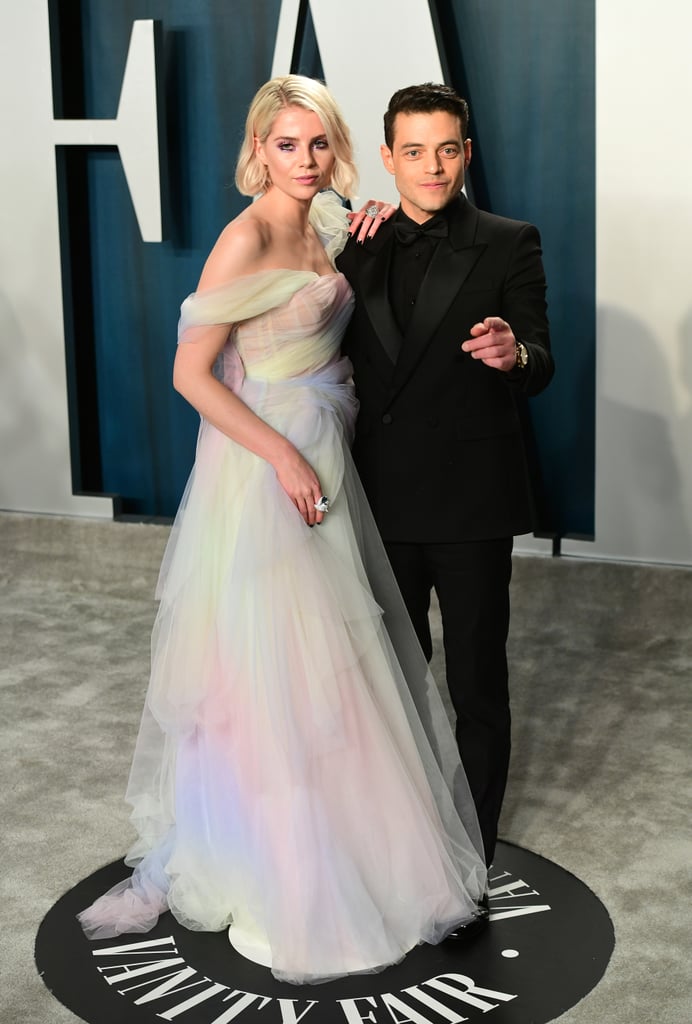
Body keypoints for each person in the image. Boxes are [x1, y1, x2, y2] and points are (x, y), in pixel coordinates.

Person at [77, 75, 487, 985]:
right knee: (275, 662)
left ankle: (355, 842)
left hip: (329, 449)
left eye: (315, 144)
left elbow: (343, 294)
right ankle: (280, 868)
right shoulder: (246, 236)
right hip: (268, 468)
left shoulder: (330, 218)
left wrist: (365, 237)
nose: (302, 161)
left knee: (338, 658)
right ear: (257, 147)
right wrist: (283, 458)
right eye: (285, 145)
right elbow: (194, 375)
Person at [337, 83, 554, 867]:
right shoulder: (352, 240)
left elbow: (540, 359)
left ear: (468, 152)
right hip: (377, 500)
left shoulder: (508, 240)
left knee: (476, 682)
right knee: (390, 676)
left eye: (449, 149)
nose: (434, 167)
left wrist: (514, 352)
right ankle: (397, 826)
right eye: (416, 151)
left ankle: (473, 843)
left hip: (470, 502)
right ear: (389, 157)